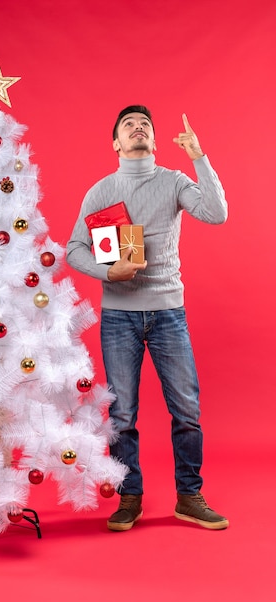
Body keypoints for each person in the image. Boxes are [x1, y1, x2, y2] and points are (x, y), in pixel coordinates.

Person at [66, 105, 229, 531]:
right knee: (122, 416)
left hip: (168, 311)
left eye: (146, 126)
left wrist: (198, 156)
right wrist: (108, 272)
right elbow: (74, 249)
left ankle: (190, 497)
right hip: (119, 316)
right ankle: (130, 498)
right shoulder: (101, 190)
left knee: (187, 410)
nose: (138, 129)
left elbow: (217, 213)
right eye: (129, 125)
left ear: (155, 142)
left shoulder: (174, 181)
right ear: (116, 143)